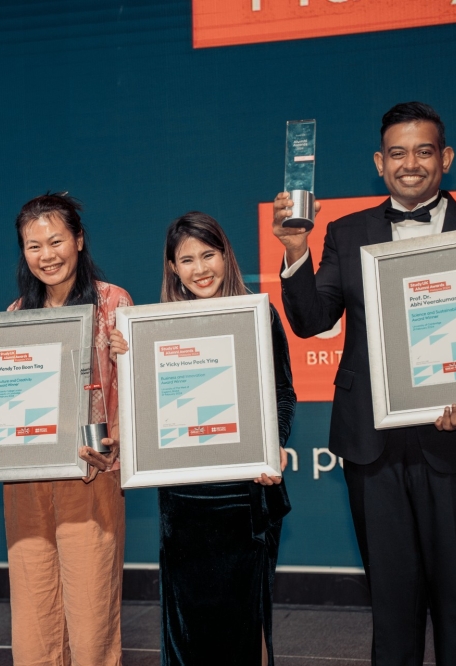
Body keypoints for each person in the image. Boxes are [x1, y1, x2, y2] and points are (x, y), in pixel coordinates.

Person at [272, 102, 456, 666]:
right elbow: (312, 320)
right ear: (379, 162)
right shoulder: (347, 233)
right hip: (374, 445)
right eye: (398, 153)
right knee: (391, 607)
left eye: (424, 151)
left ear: (445, 158)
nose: (411, 164)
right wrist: (296, 252)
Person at [0, 193, 131, 666]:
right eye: (33, 246)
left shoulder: (113, 303)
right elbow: (3, 402)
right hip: (25, 480)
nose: (46, 256)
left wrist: (131, 354)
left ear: (79, 240)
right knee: (34, 612)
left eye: (55, 241)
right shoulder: (13, 315)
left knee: (92, 617)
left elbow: (131, 392)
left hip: (91, 473)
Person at [109, 212, 295, 666]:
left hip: (246, 497)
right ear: (173, 267)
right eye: (186, 259)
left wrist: (273, 445)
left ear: (226, 255)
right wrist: (126, 364)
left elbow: (283, 394)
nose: (200, 268)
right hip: (184, 503)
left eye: (208, 254)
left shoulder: (258, 315)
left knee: (246, 632)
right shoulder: (154, 328)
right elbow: (147, 411)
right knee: (187, 632)